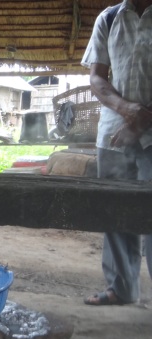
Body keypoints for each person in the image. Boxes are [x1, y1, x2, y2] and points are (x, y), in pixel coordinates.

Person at [81, 0, 152, 305]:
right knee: (114, 210)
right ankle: (121, 288)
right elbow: (97, 78)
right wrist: (127, 109)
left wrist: (143, 120)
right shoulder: (109, 18)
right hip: (114, 133)